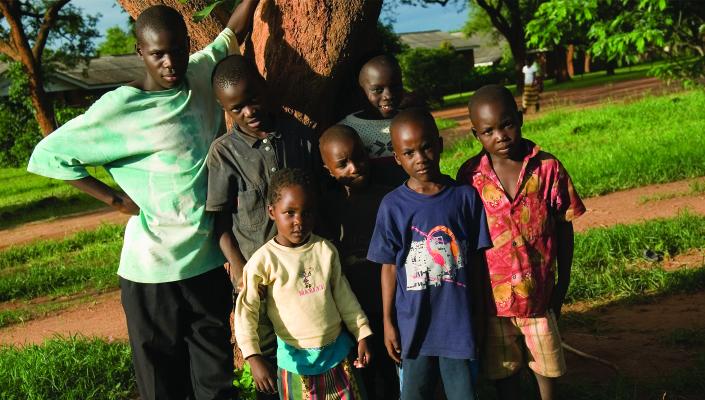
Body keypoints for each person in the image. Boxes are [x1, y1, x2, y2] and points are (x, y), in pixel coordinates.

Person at [25, 2, 259, 399]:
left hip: (204, 264)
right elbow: (49, 154)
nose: (170, 63)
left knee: (215, 381)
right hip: (151, 273)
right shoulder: (119, 108)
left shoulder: (201, 74)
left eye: (176, 50)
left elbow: (232, 32)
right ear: (140, 53)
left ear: (188, 44)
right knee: (160, 385)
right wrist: (116, 200)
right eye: (157, 54)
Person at [457, 84, 586, 400]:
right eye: (488, 131)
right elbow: (467, 240)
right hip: (493, 301)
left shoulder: (547, 167)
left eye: (507, 124)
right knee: (504, 369)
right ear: (476, 135)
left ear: (520, 118)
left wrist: (563, 279)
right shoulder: (470, 177)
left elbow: (564, 225)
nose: (500, 135)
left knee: (546, 365)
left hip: (540, 296)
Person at [206, 53, 319, 400]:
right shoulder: (224, 154)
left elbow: (321, 199)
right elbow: (219, 221)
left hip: (305, 272)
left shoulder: (299, 137)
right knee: (268, 364)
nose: (248, 112)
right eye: (236, 108)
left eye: (252, 99)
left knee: (311, 348)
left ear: (263, 88)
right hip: (260, 279)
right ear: (224, 108)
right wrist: (239, 268)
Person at [367, 108, 491, 400]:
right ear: (397, 158)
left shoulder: (464, 197)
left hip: (457, 324)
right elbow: (388, 267)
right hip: (414, 326)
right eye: (409, 153)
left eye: (426, 147)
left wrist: (481, 313)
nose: (420, 158)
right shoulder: (392, 206)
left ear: (440, 144)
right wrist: (387, 321)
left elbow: (475, 261)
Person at [234, 168, 373, 400]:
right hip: (295, 363)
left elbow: (343, 295)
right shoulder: (263, 262)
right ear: (272, 212)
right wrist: (252, 356)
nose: (299, 221)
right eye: (289, 213)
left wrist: (362, 333)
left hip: (338, 356)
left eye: (306, 213)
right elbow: (246, 311)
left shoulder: (324, 250)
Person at [318, 124, 399, 400]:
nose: (354, 168)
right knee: (363, 376)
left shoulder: (389, 197)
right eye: (342, 164)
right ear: (328, 169)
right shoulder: (327, 207)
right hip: (351, 311)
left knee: (393, 376)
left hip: (391, 304)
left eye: (359, 157)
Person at [339, 55, 408, 187]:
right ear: (361, 92)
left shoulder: (411, 122)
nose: (388, 95)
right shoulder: (347, 129)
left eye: (395, 87)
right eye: (378, 90)